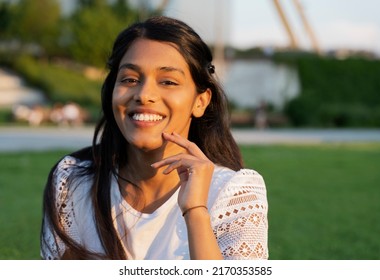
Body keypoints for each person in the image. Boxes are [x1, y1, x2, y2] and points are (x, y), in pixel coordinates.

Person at [40, 16, 268, 260]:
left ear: (200, 101)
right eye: (129, 79)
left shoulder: (234, 193)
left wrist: (196, 211)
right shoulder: (73, 181)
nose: (144, 94)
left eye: (168, 81)